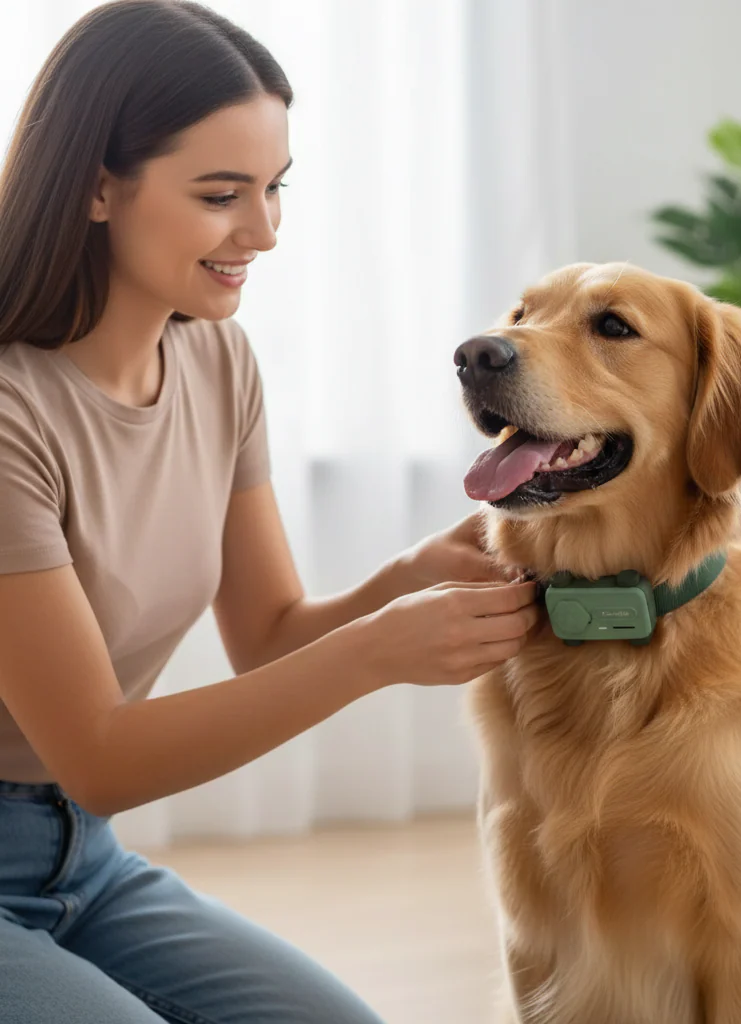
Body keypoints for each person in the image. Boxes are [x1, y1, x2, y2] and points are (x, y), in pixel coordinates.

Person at [0, 2, 538, 1021]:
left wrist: (407, 578)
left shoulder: (214, 357)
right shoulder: (10, 415)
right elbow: (101, 755)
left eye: (274, 188)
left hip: (90, 862)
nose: (264, 232)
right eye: (220, 195)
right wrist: (379, 650)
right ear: (97, 186)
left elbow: (269, 639)